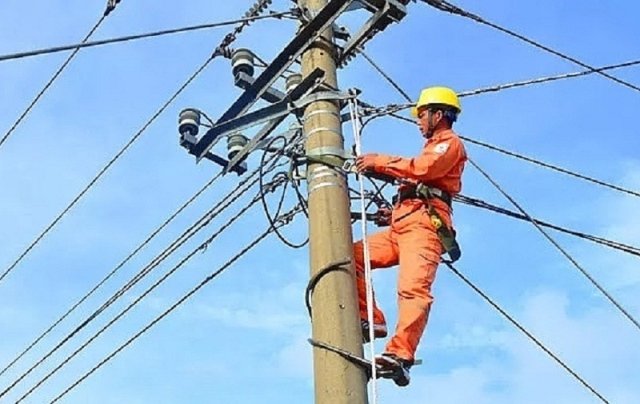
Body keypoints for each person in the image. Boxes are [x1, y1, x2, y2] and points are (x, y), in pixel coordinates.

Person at [353, 86, 467, 386]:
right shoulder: (432, 146)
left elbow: (423, 170)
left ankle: (400, 355)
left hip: (425, 228)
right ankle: (370, 319)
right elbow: (417, 180)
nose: (418, 121)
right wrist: (391, 214)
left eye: (421, 115)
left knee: (412, 289)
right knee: (351, 255)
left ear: (438, 115)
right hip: (402, 225)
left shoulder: (450, 143)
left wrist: (379, 161)